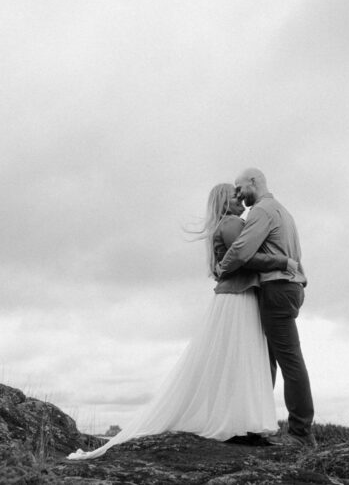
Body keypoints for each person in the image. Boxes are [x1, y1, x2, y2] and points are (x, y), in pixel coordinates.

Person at [67, 183, 286, 461]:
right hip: (237, 297)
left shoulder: (229, 223)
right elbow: (246, 257)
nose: (240, 198)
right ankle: (240, 424)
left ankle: (240, 423)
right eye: (234, 195)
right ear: (223, 202)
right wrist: (282, 260)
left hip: (237, 295)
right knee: (239, 358)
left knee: (235, 360)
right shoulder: (231, 223)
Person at [214, 168, 316, 448]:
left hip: (277, 288)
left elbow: (242, 251)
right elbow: (292, 254)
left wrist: (222, 267)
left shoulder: (261, 211)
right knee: (268, 359)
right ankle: (256, 423)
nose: (237, 194)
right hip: (292, 288)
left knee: (288, 359)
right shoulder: (285, 212)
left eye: (239, 187)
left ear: (254, 183)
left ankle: (300, 433)